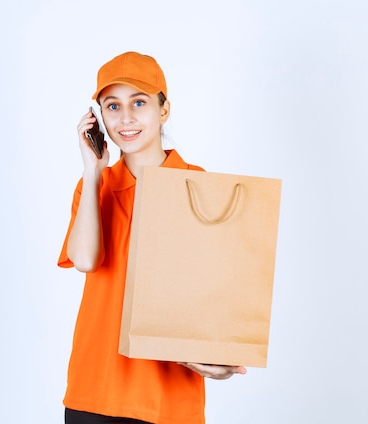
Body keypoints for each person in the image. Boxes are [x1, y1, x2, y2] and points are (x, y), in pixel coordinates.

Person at [58, 51, 246, 424]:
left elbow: (217, 291)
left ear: (163, 110)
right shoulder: (93, 186)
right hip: (95, 390)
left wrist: (222, 354)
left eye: (139, 102)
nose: (125, 118)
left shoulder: (199, 186)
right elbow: (85, 260)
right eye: (113, 106)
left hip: (169, 395)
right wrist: (93, 170)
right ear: (98, 118)